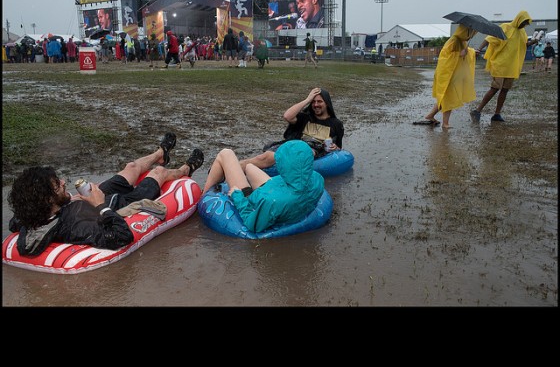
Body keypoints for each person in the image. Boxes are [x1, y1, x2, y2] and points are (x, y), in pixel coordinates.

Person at [7, 133, 204, 256]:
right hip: (120, 202)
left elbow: (15, 222)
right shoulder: (75, 227)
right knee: (159, 173)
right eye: (58, 185)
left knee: (131, 166)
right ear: (48, 199)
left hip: (95, 196)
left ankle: (160, 153)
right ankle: (187, 169)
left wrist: (66, 203)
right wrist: (101, 205)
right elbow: (121, 236)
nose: (64, 182)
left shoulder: (30, 217)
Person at [202, 140, 324, 234]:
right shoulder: (317, 178)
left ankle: (203, 196)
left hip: (254, 200)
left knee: (226, 153)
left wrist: (237, 197)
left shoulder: (272, 202)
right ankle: (227, 173)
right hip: (284, 192)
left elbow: (252, 223)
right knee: (249, 167)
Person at [239, 87, 344, 171]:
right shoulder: (305, 118)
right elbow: (287, 116)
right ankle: (233, 168)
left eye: (319, 102)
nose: (316, 105)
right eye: (313, 102)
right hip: (293, 145)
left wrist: (336, 148)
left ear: (327, 103)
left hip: (310, 151)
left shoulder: (336, 124)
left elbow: (339, 147)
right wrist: (307, 100)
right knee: (264, 157)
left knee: (271, 157)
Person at [470, 10, 539, 123]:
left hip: (512, 66)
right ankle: (477, 111)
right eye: (524, 22)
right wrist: (479, 49)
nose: (524, 25)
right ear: (518, 19)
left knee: (505, 90)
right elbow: (489, 38)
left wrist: (534, 41)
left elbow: (524, 45)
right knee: (495, 88)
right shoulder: (506, 27)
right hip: (500, 64)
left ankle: (497, 114)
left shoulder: (522, 32)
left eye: (526, 23)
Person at [418, 24, 477, 129]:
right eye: (470, 32)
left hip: (454, 74)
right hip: (447, 75)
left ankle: (430, 116)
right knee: (448, 99)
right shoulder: (453, 40)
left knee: (445, 98)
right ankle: (445, 124)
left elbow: (465, 51)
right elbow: (444, 56)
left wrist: (471, 52)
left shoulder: (462, 41)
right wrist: (459, 54)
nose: (471, 35)